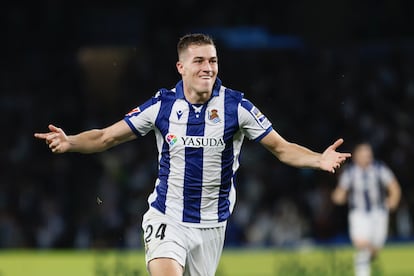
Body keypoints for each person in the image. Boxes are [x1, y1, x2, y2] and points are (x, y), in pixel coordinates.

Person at [35, 33, 351, 276]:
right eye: (199, 61)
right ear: (181, 67)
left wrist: (317, 159)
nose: (207, 67)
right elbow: (105, 137)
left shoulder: (236, 107)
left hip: (213, 225)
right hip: (167, 216)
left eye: (212, 60)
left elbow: (282, 148)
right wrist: (71, 142)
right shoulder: (162, 106)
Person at [331, 142, 401, 276]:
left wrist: (393, 200)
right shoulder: (350, 172)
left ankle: (364, 260)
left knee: (374, 248)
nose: (366, 157)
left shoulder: (380, 169)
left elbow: (394, 186)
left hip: (379, 213)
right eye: (363, 154)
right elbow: (340, 192)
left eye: (368, 154)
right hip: (358, 214)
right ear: (356, 156)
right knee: (361, 244)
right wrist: (337, 197)